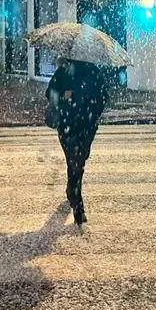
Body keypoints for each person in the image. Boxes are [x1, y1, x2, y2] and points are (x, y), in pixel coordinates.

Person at [46, 58, 109, 226]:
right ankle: (78, 205)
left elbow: (103, 97)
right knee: (75, 163)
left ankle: (71, 189)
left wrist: (92, 113)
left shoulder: (94, 73)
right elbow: (50, 92)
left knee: (79, 161)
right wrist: (62, 96)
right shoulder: (64, 71)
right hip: (67, 126)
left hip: (86, 127)